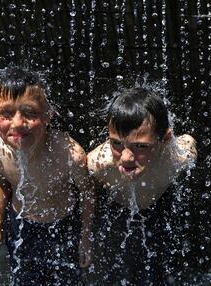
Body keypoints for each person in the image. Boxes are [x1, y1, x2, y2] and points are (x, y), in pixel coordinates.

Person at [0, 67, 94, 285]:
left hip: (64, 225)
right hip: (21, 223)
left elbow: (87, 192)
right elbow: (1, 183)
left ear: (48, 114)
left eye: (30, 113)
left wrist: (85, 238)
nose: (17, 124)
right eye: (5, 114)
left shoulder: (70, 155)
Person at [87, 87, 197, 284]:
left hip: (162, 206)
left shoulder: (180, 157)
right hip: (118, 211)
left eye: (140, 146)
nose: (127, 158)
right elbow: (87, 197)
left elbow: (188, 142)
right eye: (117, 144)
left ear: (164, 139)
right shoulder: (98, 165)